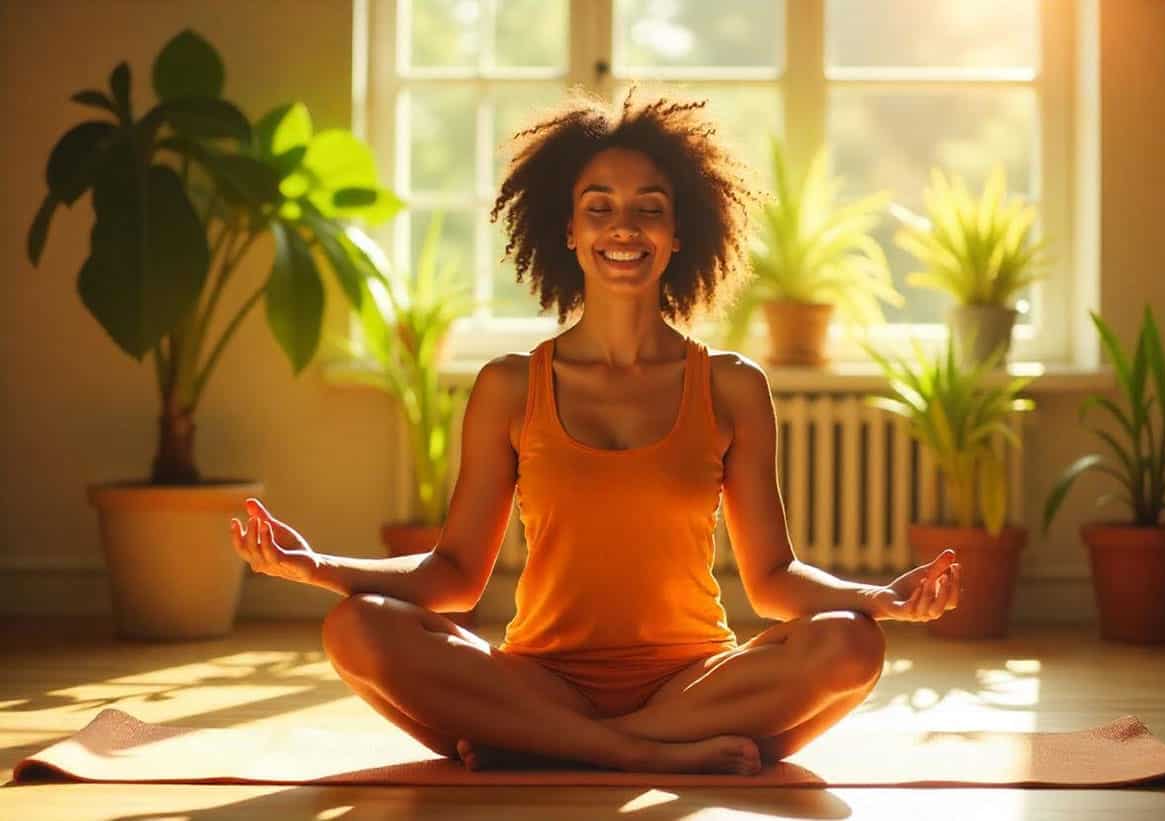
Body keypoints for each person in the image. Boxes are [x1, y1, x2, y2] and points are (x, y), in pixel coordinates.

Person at [229, 83, 961, 776]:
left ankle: (559, 749)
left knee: (851, 646)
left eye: (649, 209)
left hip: (693, 686)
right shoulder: (510, 386)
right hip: (539, 680)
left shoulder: (733, 385)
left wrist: (881, 599)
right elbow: (451, 575)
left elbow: (772, 581)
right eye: (600, 207)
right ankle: (639, 753)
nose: (624, 227)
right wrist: (314, 566)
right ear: (570, 231)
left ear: (679, 234)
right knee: (355, 630)